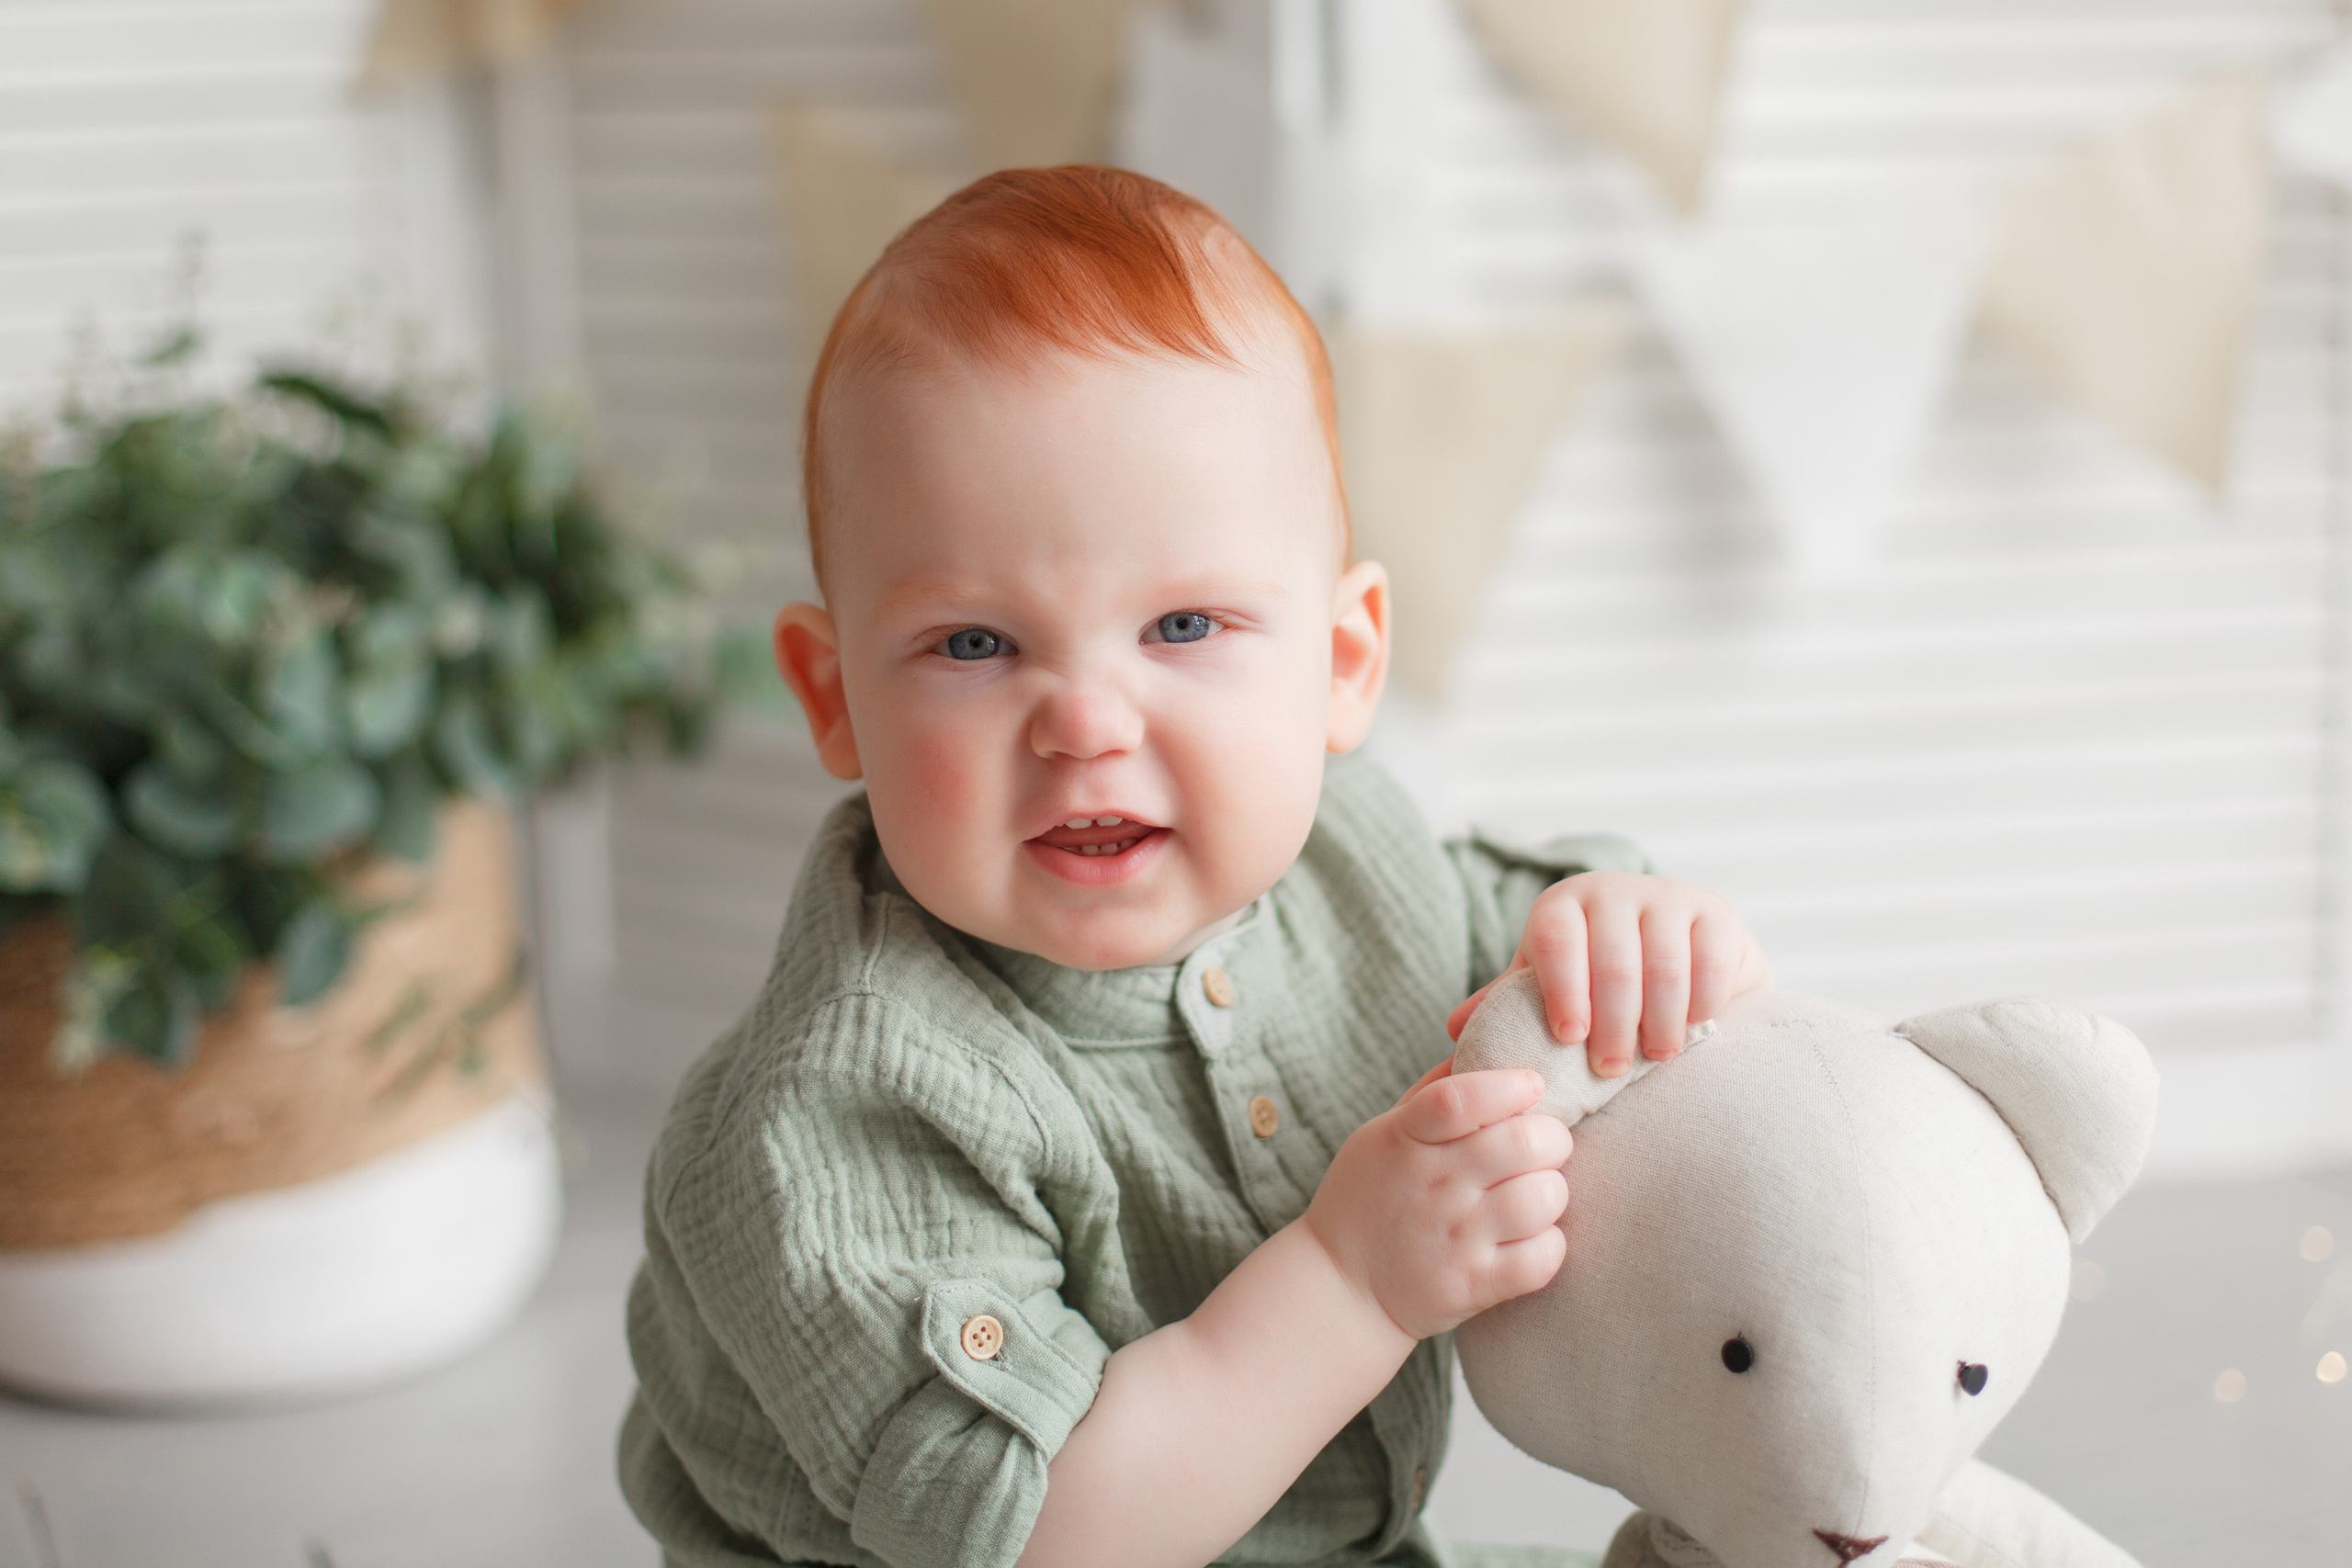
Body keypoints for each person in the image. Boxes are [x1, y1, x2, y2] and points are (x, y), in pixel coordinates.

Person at [618, 165, 1771, 1568]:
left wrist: (1623, 932)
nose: (1087, 724)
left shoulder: (1358, 856)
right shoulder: (835, 1113)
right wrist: (1351, 1282)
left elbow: (1536, 966)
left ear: (1341, 666)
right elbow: (1043, 1538)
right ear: (837, 696)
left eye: (1183, 626)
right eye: (975, 644)